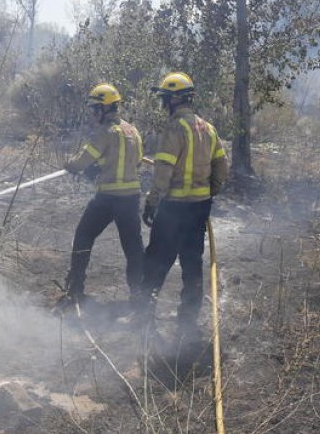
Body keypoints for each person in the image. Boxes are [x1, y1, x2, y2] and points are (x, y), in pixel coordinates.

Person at [139, 71, 229, 336]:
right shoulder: (208, 128)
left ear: (174, 100)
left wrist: (152, 202)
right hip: (199, 208)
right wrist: (210, 192)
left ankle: (144, 314)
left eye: (165, 98)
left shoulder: (174, 129)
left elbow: (163, 171)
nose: (163, 103)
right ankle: (187, 321)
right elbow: (222, 165)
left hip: (174, 208)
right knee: (192, 263)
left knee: (157, 260)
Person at [60, 82, 146, 308]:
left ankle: (75, 288)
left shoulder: (104, 133)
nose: (92, 113)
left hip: (108, 198)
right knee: (133, 247)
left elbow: (81, 162)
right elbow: (137, 161)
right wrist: (102, 166)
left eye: (94, 109)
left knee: (83, 236)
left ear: (104, 108)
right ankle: (140, 294)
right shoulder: (133, 131)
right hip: (131, 198)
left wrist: (70, 165)